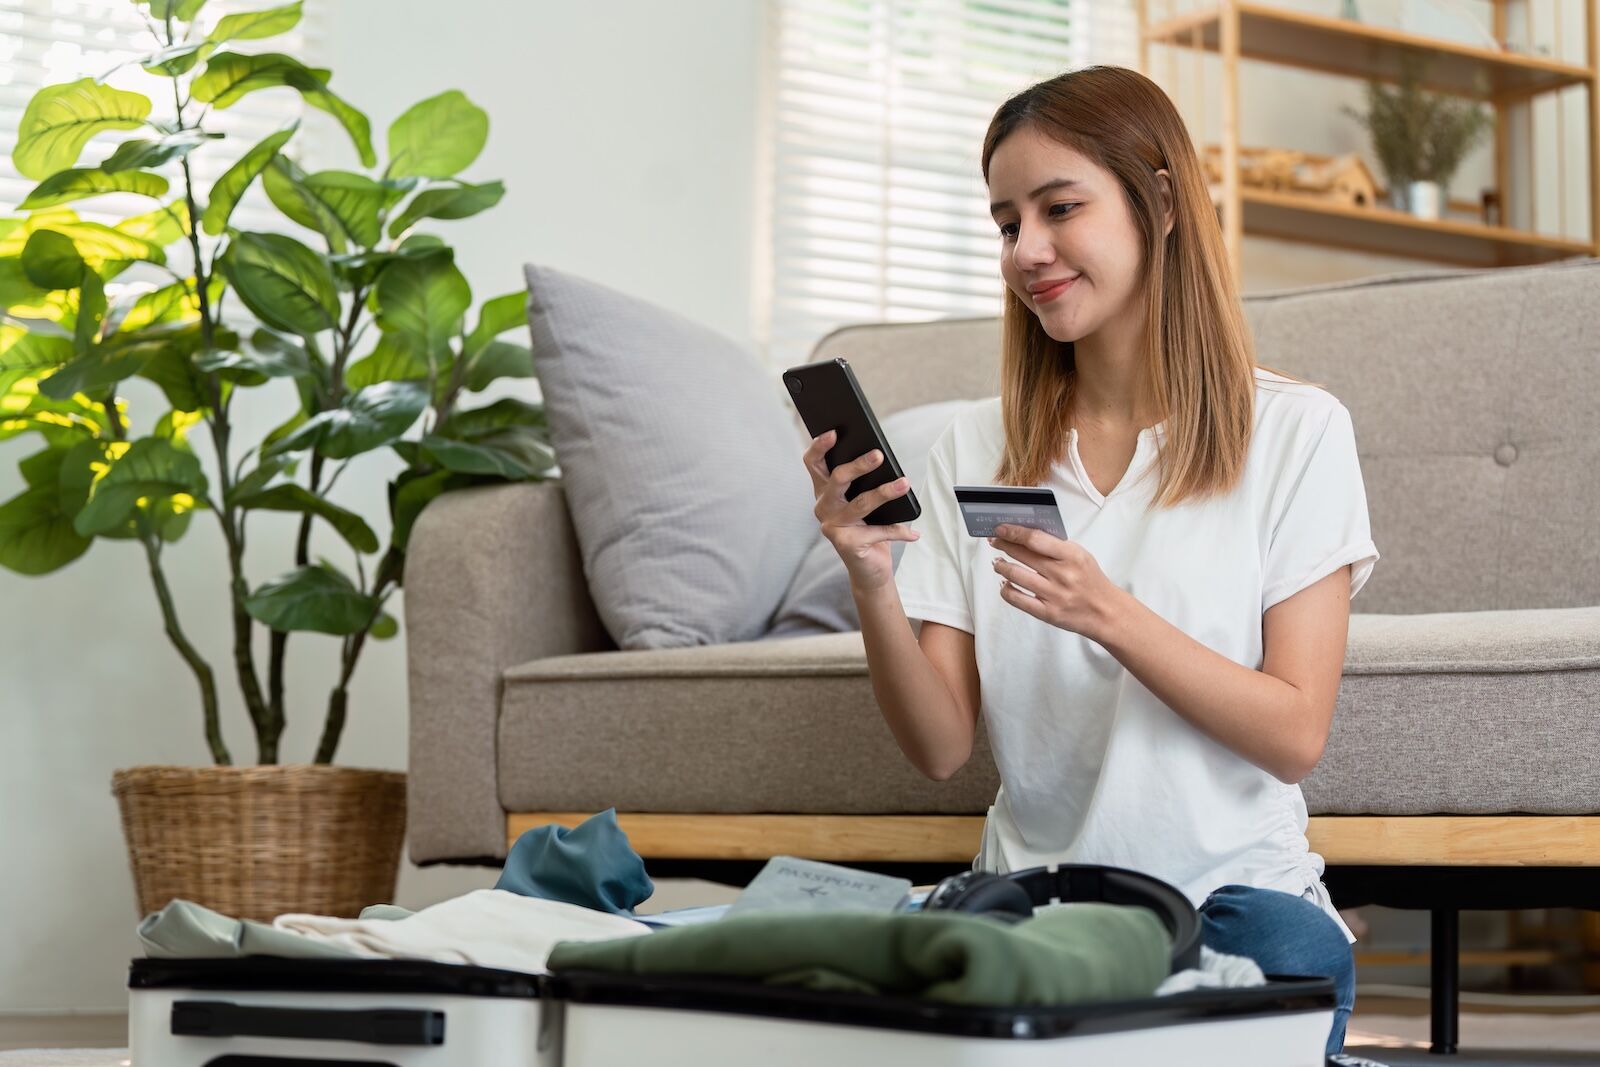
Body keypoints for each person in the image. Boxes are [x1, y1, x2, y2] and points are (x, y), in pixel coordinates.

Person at [798, 65, 1378, 1056]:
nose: (1026, 250)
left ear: (1161, 203)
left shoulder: (1296, 431)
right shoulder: (975, 446)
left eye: (1059, 208)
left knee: (1283, 954)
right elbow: (940, 745)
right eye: (1005, 223)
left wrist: (1108, 612)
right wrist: (870, 578)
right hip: (1038, 903)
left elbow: (1293, 734)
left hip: (1232, 901)